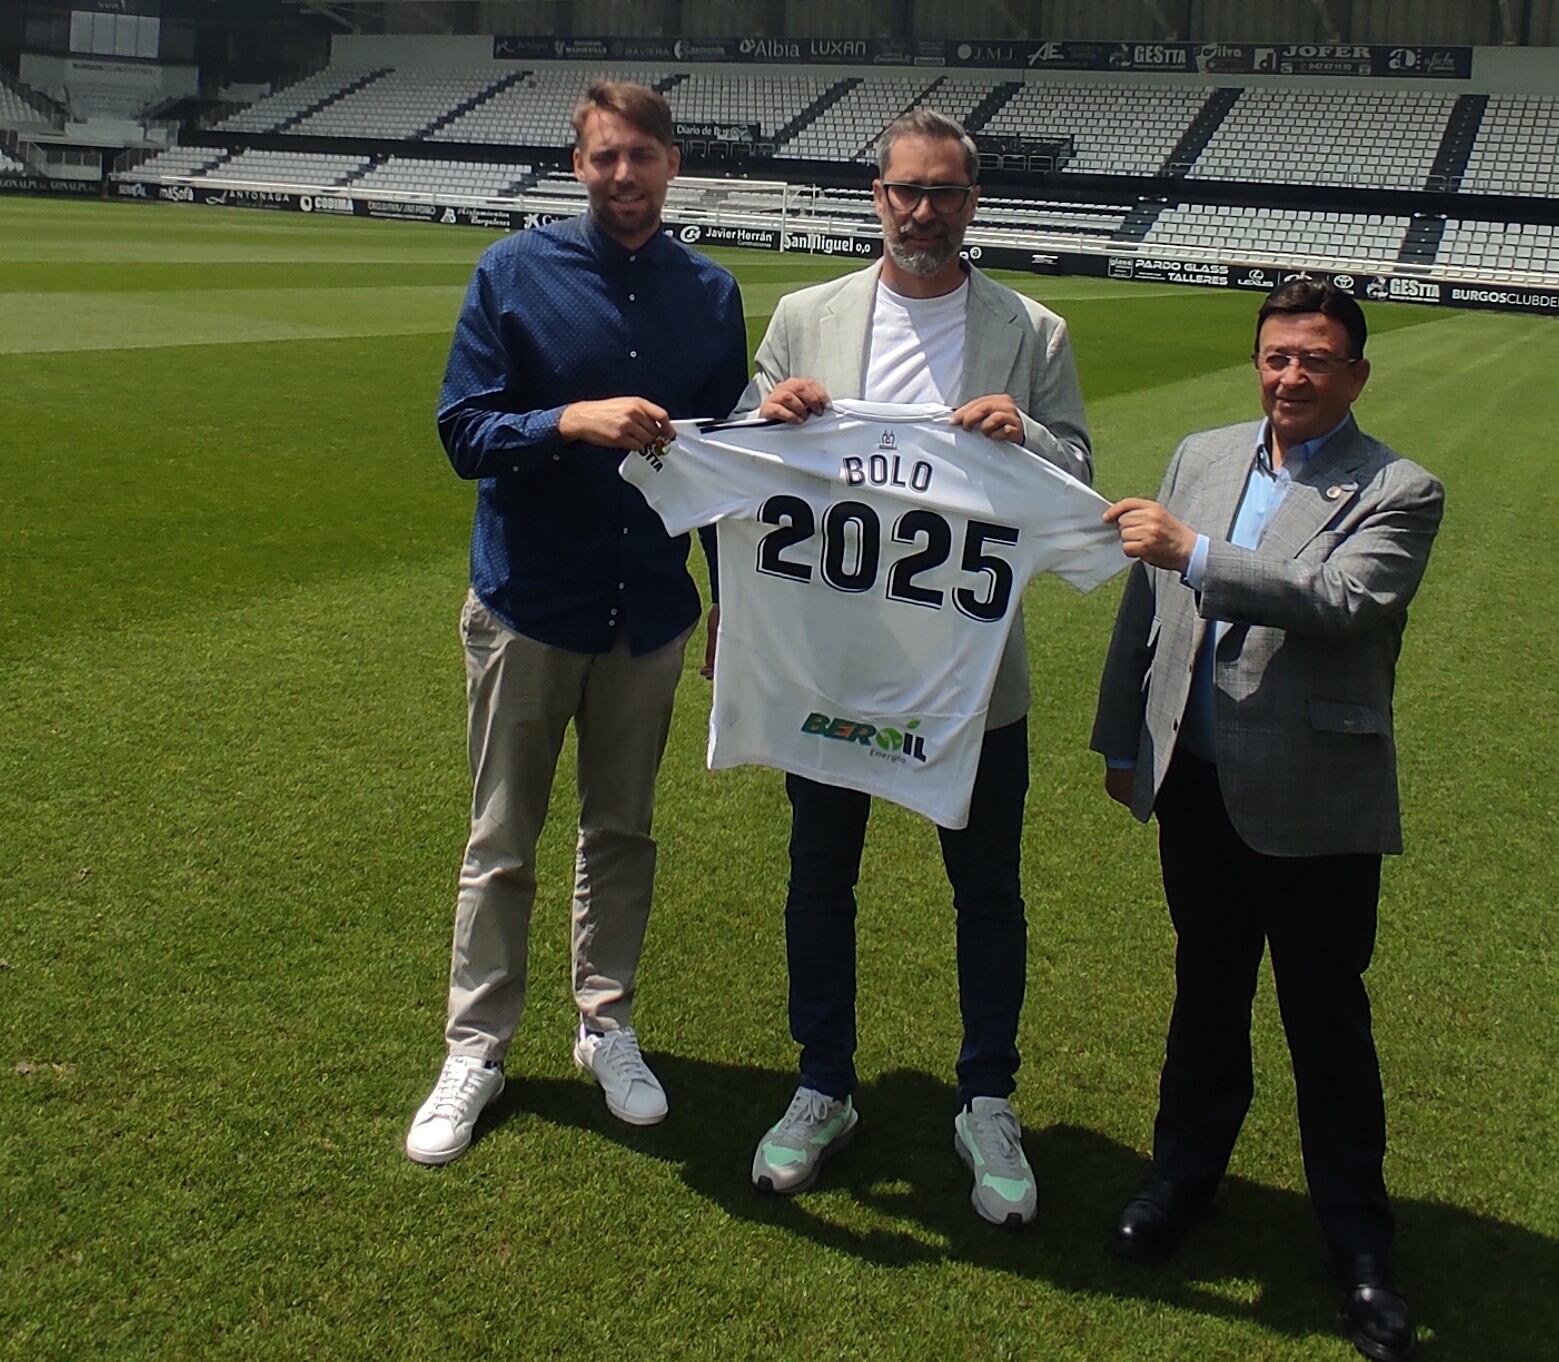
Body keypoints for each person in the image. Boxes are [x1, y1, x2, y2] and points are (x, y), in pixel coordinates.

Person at [735, 108, 1092, 1227]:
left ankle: (986, 1097)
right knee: (818, 877)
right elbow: (740, 464)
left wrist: (1024, 437)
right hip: (828, 667)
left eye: (942, 193)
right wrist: (770, 413)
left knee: (984, 891)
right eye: (903, 189)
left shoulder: (1031, 332)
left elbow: (1078, 477)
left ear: (970, 203)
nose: (920, 211)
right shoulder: (805, 314)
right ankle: (821, 1084)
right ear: (875, 195)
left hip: (969, 677)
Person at [1092, 279, 1443, 1361]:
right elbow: (1143, 610)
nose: (1290, 375)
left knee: (1324, 1024)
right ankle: (1181, 1182)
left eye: (1315, 360)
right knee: (1204, 992)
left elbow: (1339, 601)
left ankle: (1357, 1246)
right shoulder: (1203, 451)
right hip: (1193, 778)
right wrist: (1120, 737)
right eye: (1276, 356)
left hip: (1309, 795)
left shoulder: (1397, 487)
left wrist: (1195, 553)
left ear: (1354, 375)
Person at [404, 81, 747, 1166]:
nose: (622, 175)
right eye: (602, 157)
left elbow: (721, 462)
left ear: (671, 163)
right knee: (502, 840)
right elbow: (462, 431)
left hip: (646, 607)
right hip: (529, 602)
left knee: (621, 832)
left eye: (640, 156)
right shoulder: (512, 272)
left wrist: (731, 598)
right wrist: (569, 419)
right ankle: (477, 1048)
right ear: (577, 164)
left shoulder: (709, 292)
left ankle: (606, 1024)